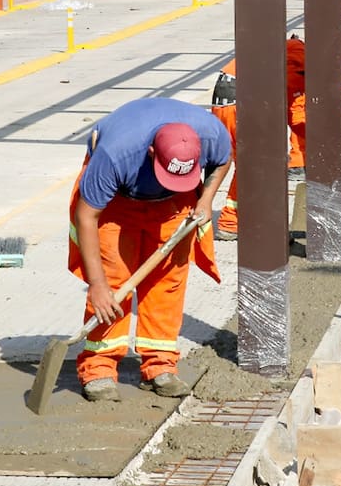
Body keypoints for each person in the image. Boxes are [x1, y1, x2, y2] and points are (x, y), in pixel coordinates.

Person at [67, 98, 231, 403]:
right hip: (118, 203)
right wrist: (98, 284)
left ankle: (160, 365)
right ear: (153, 152)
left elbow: (224, 159)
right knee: (113, 282)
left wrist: (206, 198)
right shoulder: (115, 154)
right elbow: (86, 216)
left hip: (173, 203)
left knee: (167, 281)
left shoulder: (211, 135)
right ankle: (99, 368)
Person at [211, 35, 307, 242]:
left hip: (226, 102)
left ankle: (237, 221)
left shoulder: (289, 51)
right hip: (242, 103)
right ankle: (235, 224)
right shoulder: (299, 56)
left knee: (247, 164)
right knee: (260, 164)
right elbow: (296, 110)